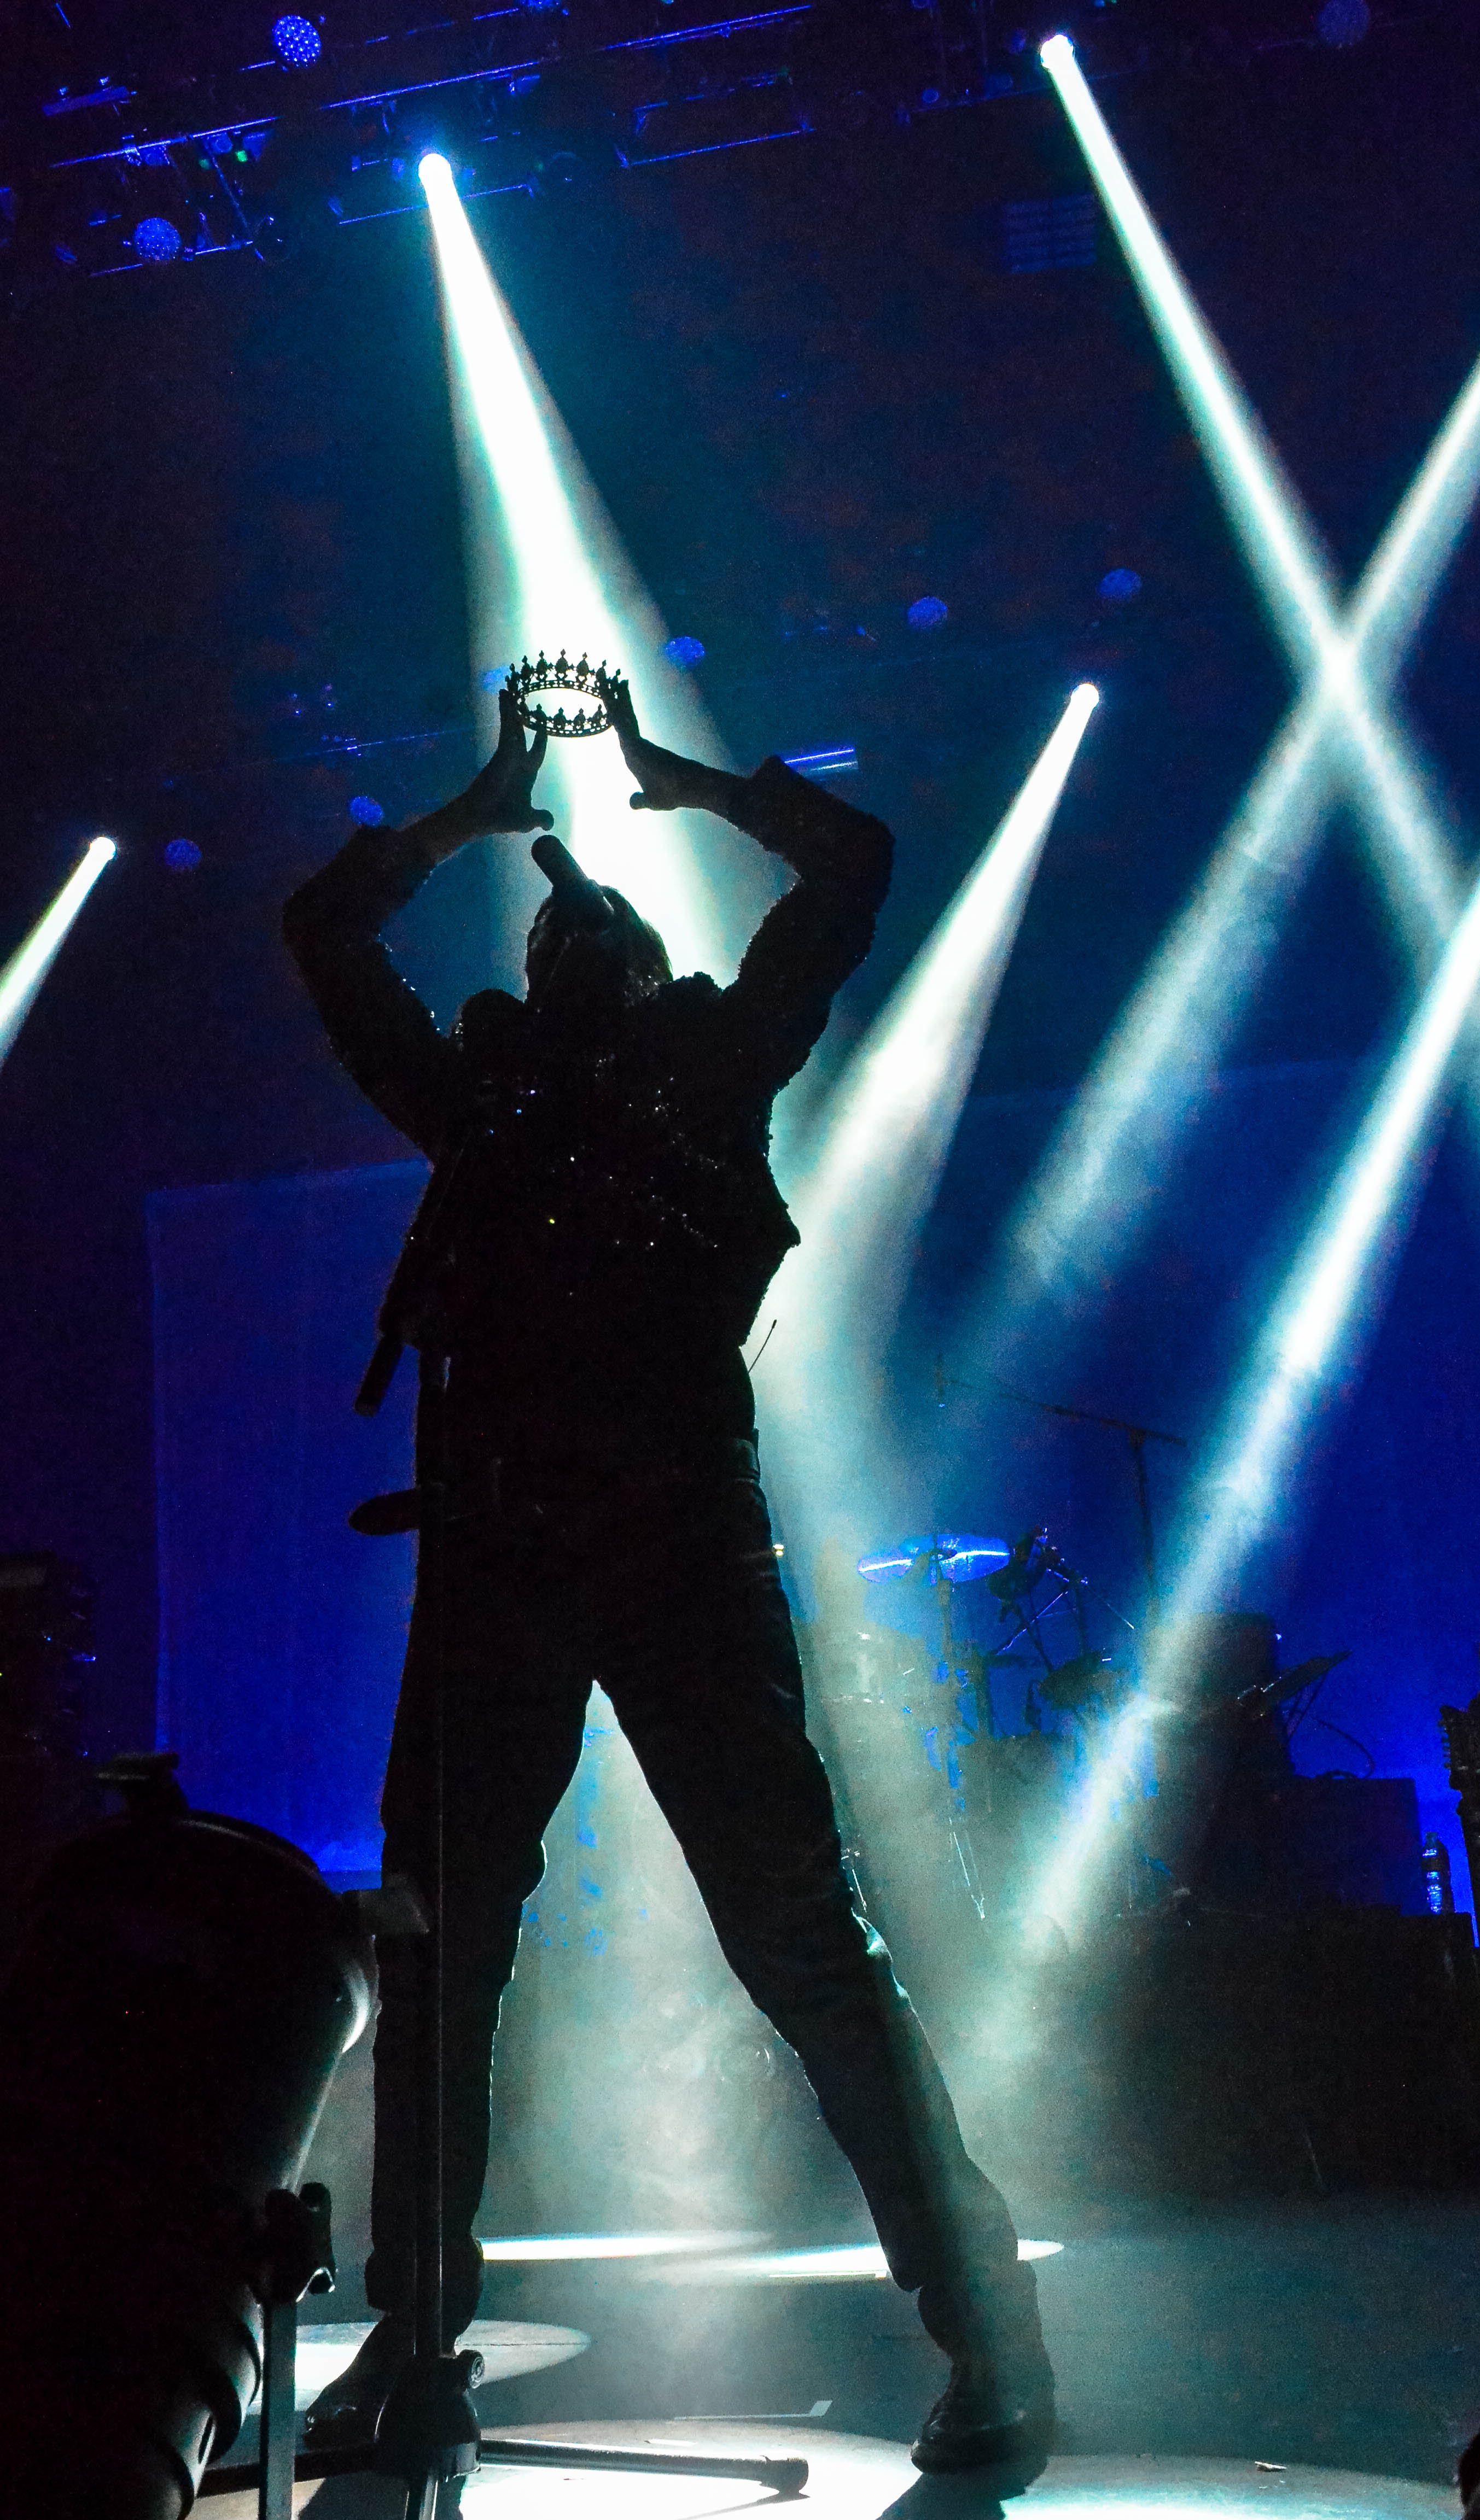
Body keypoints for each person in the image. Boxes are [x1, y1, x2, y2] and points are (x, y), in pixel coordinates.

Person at [282, 677, 1055, 2472]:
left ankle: (986, 2326)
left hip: (678, 1551)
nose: (562, 922)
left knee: (799, 1941)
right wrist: (481, 809)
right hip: (502, 1555)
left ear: (638, 967)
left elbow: (851, 860)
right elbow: (323, 926)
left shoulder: (709, 1067)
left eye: (587, 914)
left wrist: (669, 781)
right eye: (545, 919)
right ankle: (415, 2337)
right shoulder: (482, 1095)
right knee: (441, 1952)